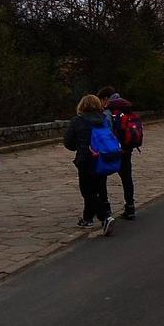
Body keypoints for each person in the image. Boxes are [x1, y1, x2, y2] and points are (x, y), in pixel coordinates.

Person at [64, 94, 115, 236]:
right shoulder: (104, 119)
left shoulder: (77, 121)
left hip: (86, 159)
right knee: (98, 188)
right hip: (103, 158)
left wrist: (79, 146)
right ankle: (87, 218)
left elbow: (68, 142)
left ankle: (104, 217)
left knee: (87, 191)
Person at [106, 92, 137, 220]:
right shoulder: (126, 109)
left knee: (101, 177)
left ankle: (105, 210)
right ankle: (130, 206)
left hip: (114, 150)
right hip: (127, 149)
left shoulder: (109, 112)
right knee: (127, 178)